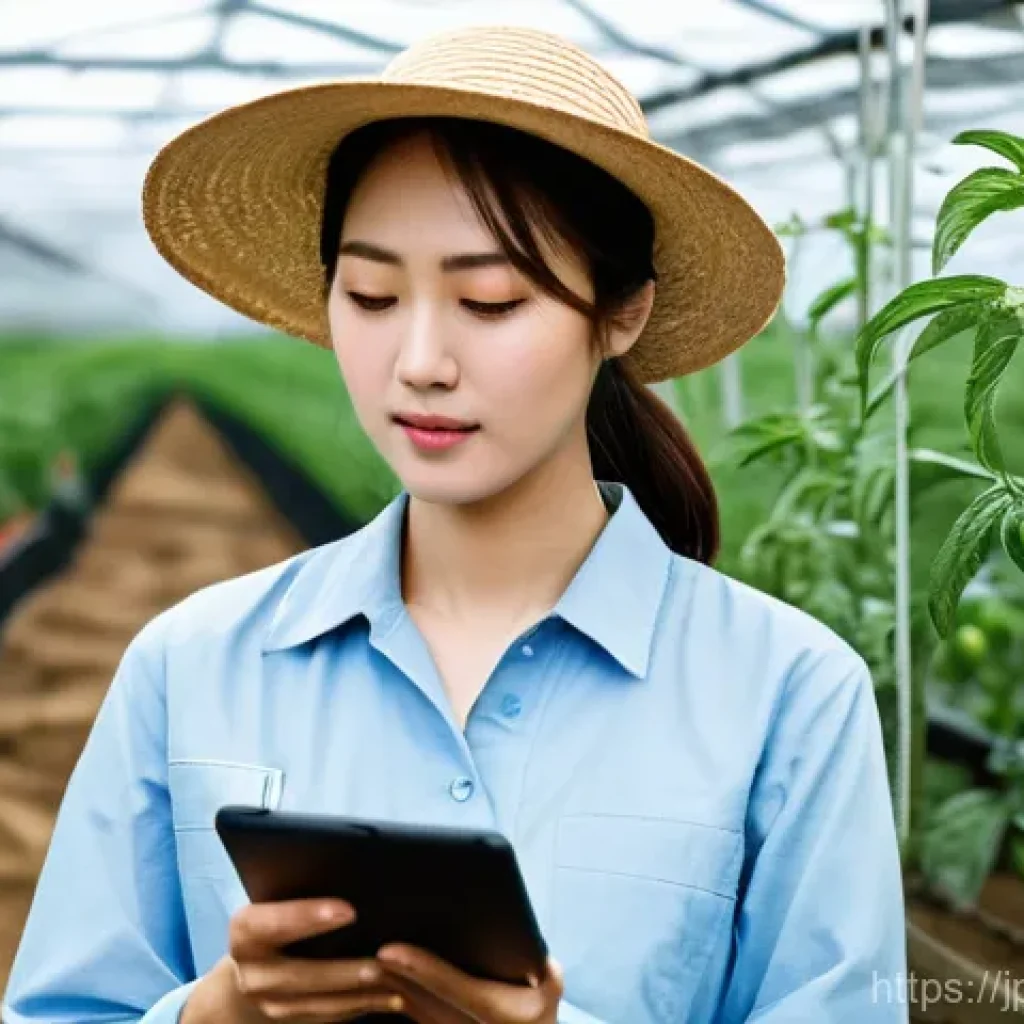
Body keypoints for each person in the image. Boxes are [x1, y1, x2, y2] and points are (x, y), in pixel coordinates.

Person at [2, 23, 907, 1024]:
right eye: (373, 293)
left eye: (489, 299)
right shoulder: (191, 663)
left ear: (621, 314)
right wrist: (217, 1011)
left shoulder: (787, 695)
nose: (419, 359)